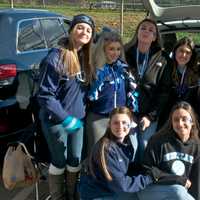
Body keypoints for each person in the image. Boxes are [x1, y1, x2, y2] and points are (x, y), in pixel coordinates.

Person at [37, 14, 95, 200]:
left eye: (88, 29)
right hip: (57, 122)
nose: (84, 31)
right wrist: (66, 118)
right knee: (59, 161)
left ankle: (71, 194)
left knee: (75, 160)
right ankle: (58, 196)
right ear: (70, 31)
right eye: (80, 27)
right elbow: (45, 95)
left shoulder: (85, 58)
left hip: (77, 121)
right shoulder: (55, 58)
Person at [80, 106, 153, 200]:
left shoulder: (124, 144)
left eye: (124, 123)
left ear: (130, 124)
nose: (120, 127)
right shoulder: (106, 148)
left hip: (110, 191)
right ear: (109, 124)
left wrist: (146, 170)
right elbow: (121, 185)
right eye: (116, 123)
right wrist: (149, 178)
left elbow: (124, 168)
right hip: (97, 195)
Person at [85, 30, 138, 157]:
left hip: (119, 118)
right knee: (98, 154)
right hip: (99, 117)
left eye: (118, 49)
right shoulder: (95, 70)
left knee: (119, 153)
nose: (116, 53)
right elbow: (89, 95)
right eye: (111, 49)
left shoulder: (123, 69)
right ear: (103, 50)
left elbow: (131, 92)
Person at [124, 18, 172, 160]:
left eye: (151, 30)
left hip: (149, 113)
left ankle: (143, 179)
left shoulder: (163, 59)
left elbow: (164, 92)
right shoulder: (125, 53)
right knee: (131, 148)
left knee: (145, 146)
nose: (146, 31)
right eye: (143, 28)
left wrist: (150, 117)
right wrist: (126, 112)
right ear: (137, 32)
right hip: (128, 112)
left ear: (155, 37)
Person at [138, 101, 200, 200]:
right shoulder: (158, 141)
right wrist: (176, 179)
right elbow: (147, 170)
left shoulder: (196, 146)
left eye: (184, 119)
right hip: (151, 189)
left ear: (192, 122)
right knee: (178, 191)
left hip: (179, 192)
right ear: (171, 122)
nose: (180, 123)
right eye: (176, 120)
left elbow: (196, 181)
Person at [158, 37, 200, 128]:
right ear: (175, 51)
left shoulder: (196, 72)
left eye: (188, 52)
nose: (184, 55)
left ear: (192, 55)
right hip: (167, 118)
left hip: (188, 118)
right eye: (181, 50)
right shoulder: (166, 68)